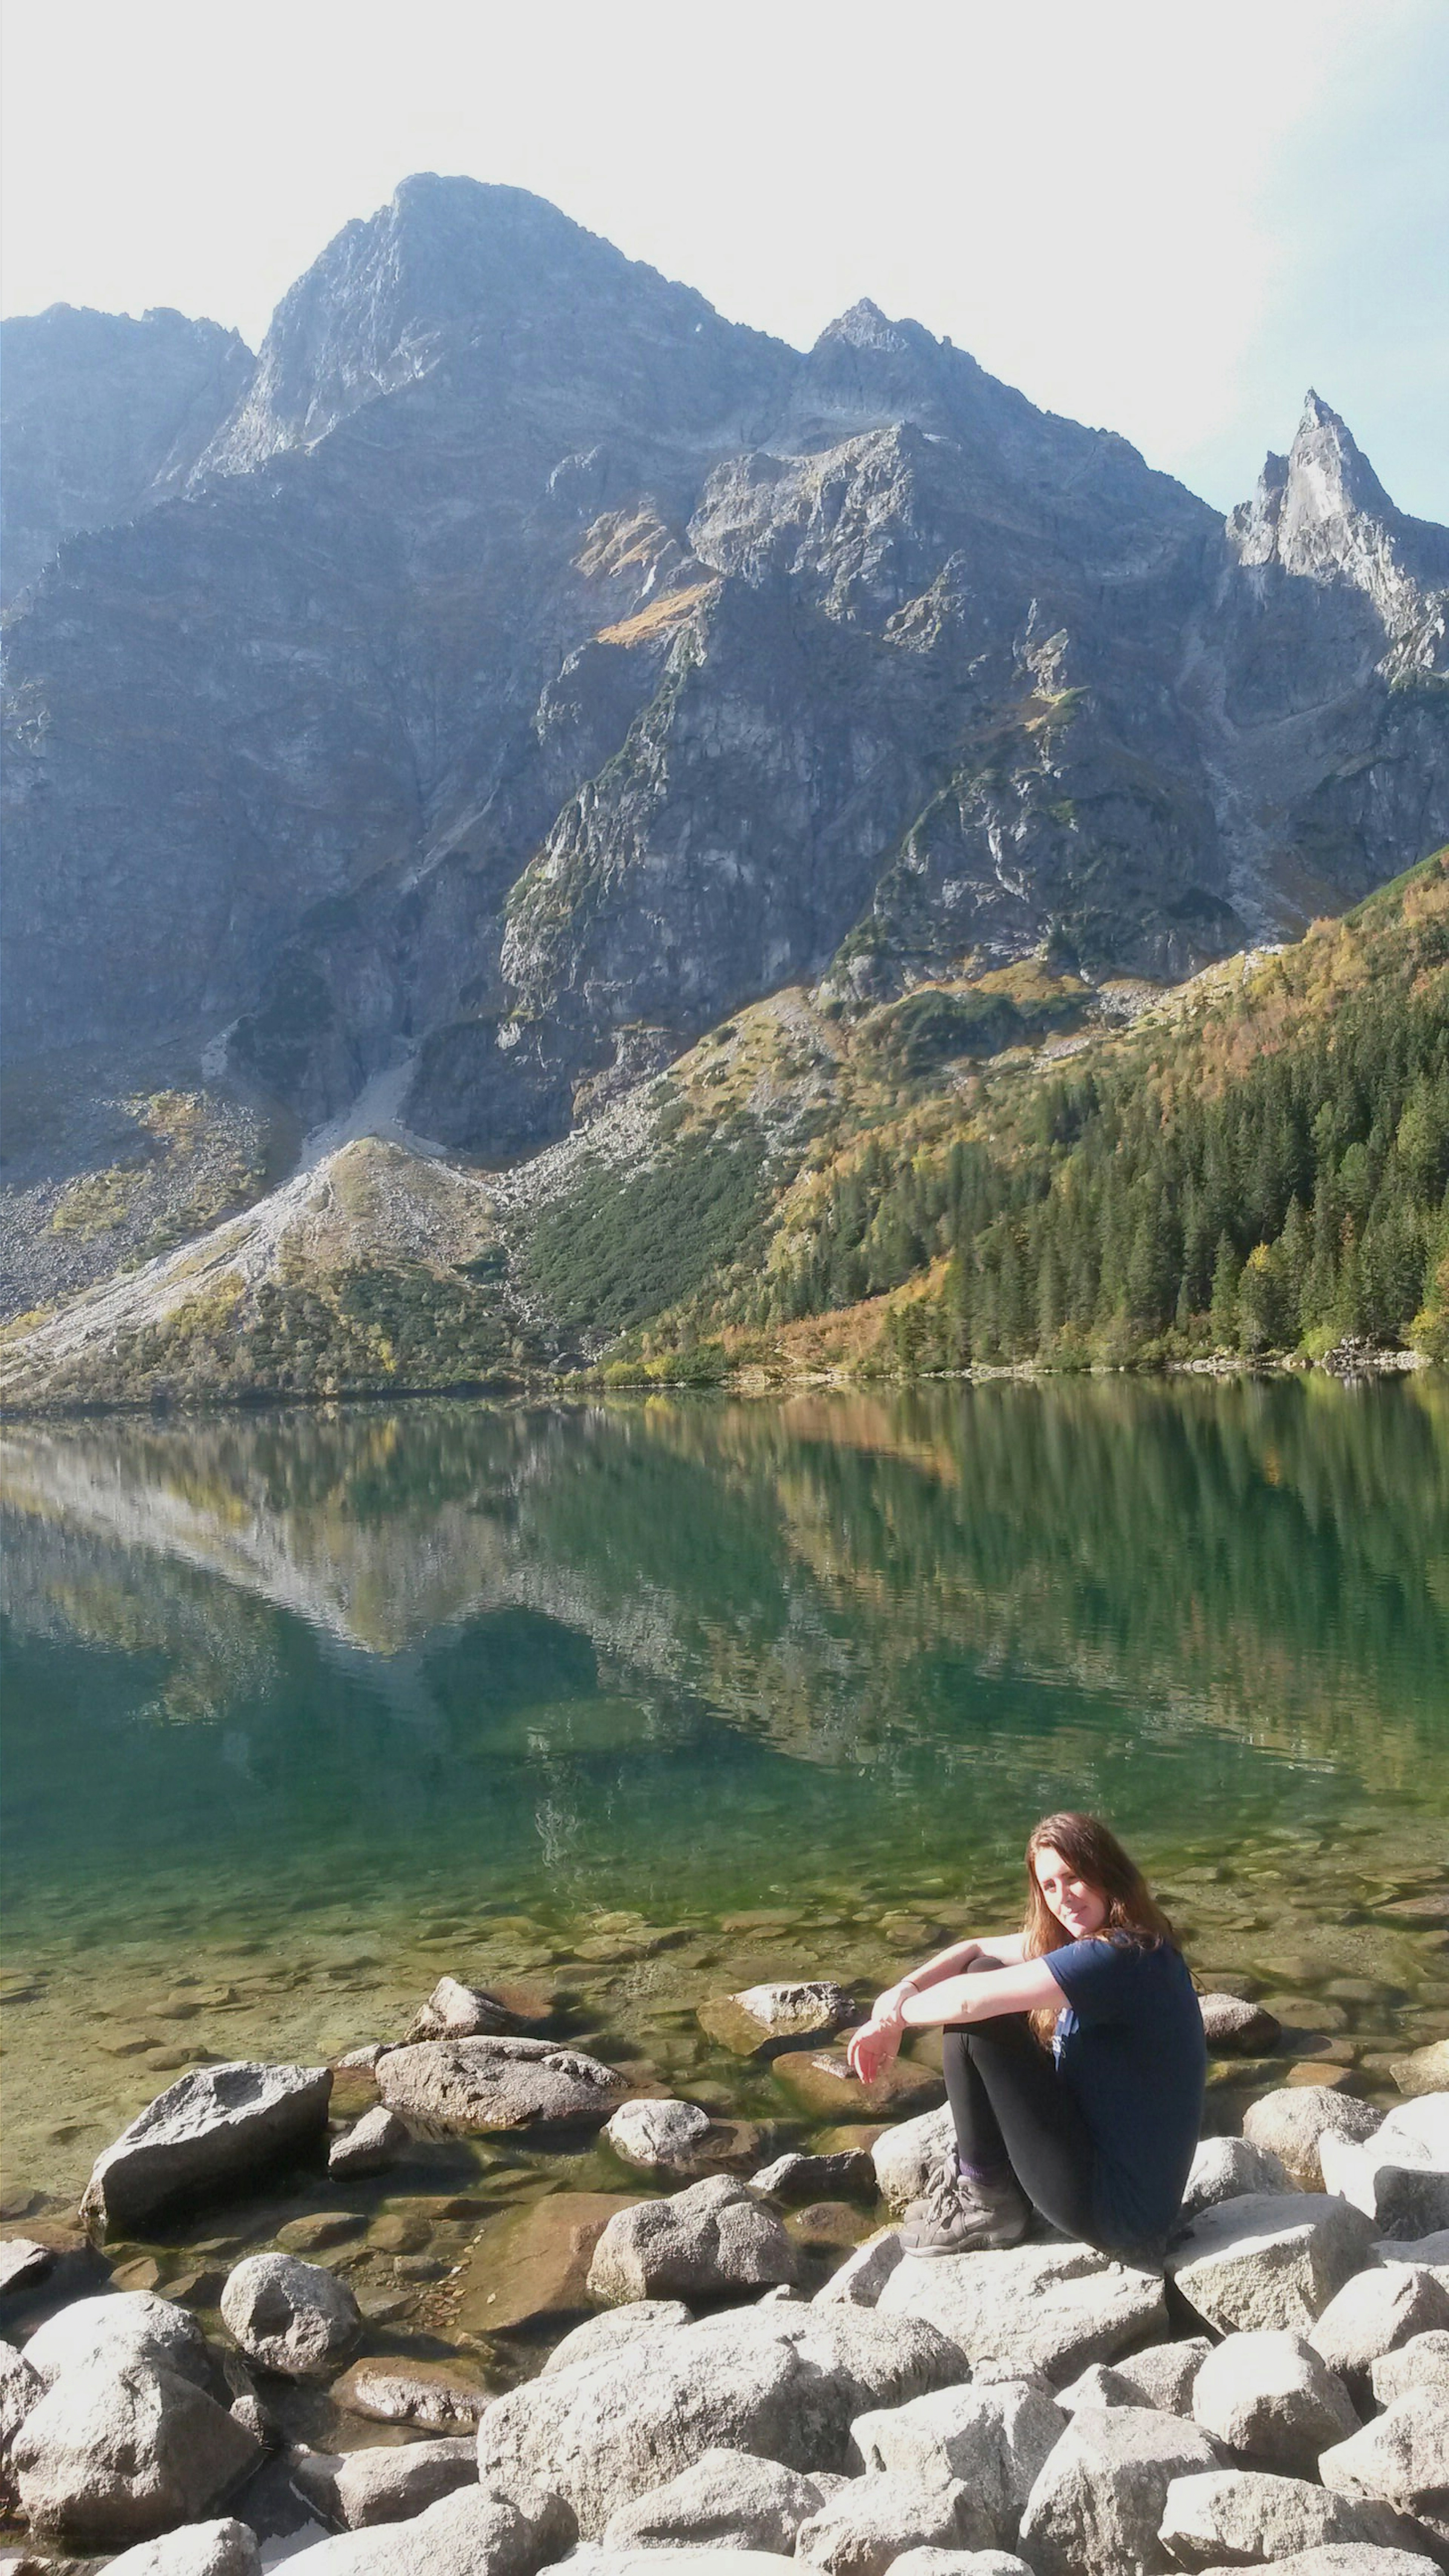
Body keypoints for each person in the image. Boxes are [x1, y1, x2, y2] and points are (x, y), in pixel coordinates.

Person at [846, 1810, 1206, 2265]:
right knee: (983, 1973)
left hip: (1116, 2212)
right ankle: (995, 2186)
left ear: (1106, 1870)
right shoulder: (1125, 1941)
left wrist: (892, 2023)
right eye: (1049, 1886)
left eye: (1073, 1877)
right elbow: (975, 1949)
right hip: (1115, 2178)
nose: (1063, 1898)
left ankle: (987, 2197)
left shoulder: (1118, 1958)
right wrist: (903, 1991)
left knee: (979, 2017)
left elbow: (967, 2004)